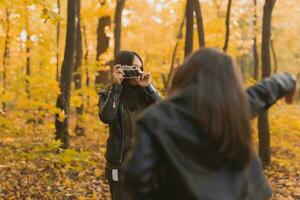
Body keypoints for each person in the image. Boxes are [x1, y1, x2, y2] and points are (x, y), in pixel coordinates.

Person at [123, 48, 296, 200]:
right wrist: (290, 81)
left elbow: (135, 175)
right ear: (230, 80)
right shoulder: (236, 106)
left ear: (185, 75)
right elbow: (271, 87)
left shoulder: (156, 117)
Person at [98, 50, 160, 200]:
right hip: (119, 166)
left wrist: (149, 87)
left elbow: (165, 114)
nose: (137, 72)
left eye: (140, 68)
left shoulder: (146, 94)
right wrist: (116, 88)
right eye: (132, 68)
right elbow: (107, 117)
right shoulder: (109, 92)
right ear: (122, 69)